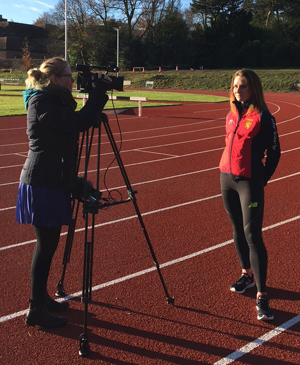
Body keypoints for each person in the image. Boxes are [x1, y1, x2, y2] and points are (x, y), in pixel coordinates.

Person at [15, 57, 111, 328]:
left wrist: (74, 182)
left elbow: (71, 127)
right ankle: (36, 309)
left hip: (51, 178)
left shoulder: (52, 100)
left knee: (48, 245)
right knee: (46, 246)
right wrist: (98, 94)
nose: (72, 80)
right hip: (43, 181)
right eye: (68, 76)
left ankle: (41, 297)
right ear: (54, 79)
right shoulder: (42, 102)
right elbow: (77, 122)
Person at [219, 69, 281, 321]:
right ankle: (247, 275)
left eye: (242, 86)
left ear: (253, 88)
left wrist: (261, 179)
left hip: (249, 182)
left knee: (252, 234)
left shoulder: (264, 117)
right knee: (237, 230)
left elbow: (275, 153)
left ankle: (262, 295)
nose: (237, 90)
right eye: (235, 86)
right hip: (226, 179)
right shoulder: (232, 114)